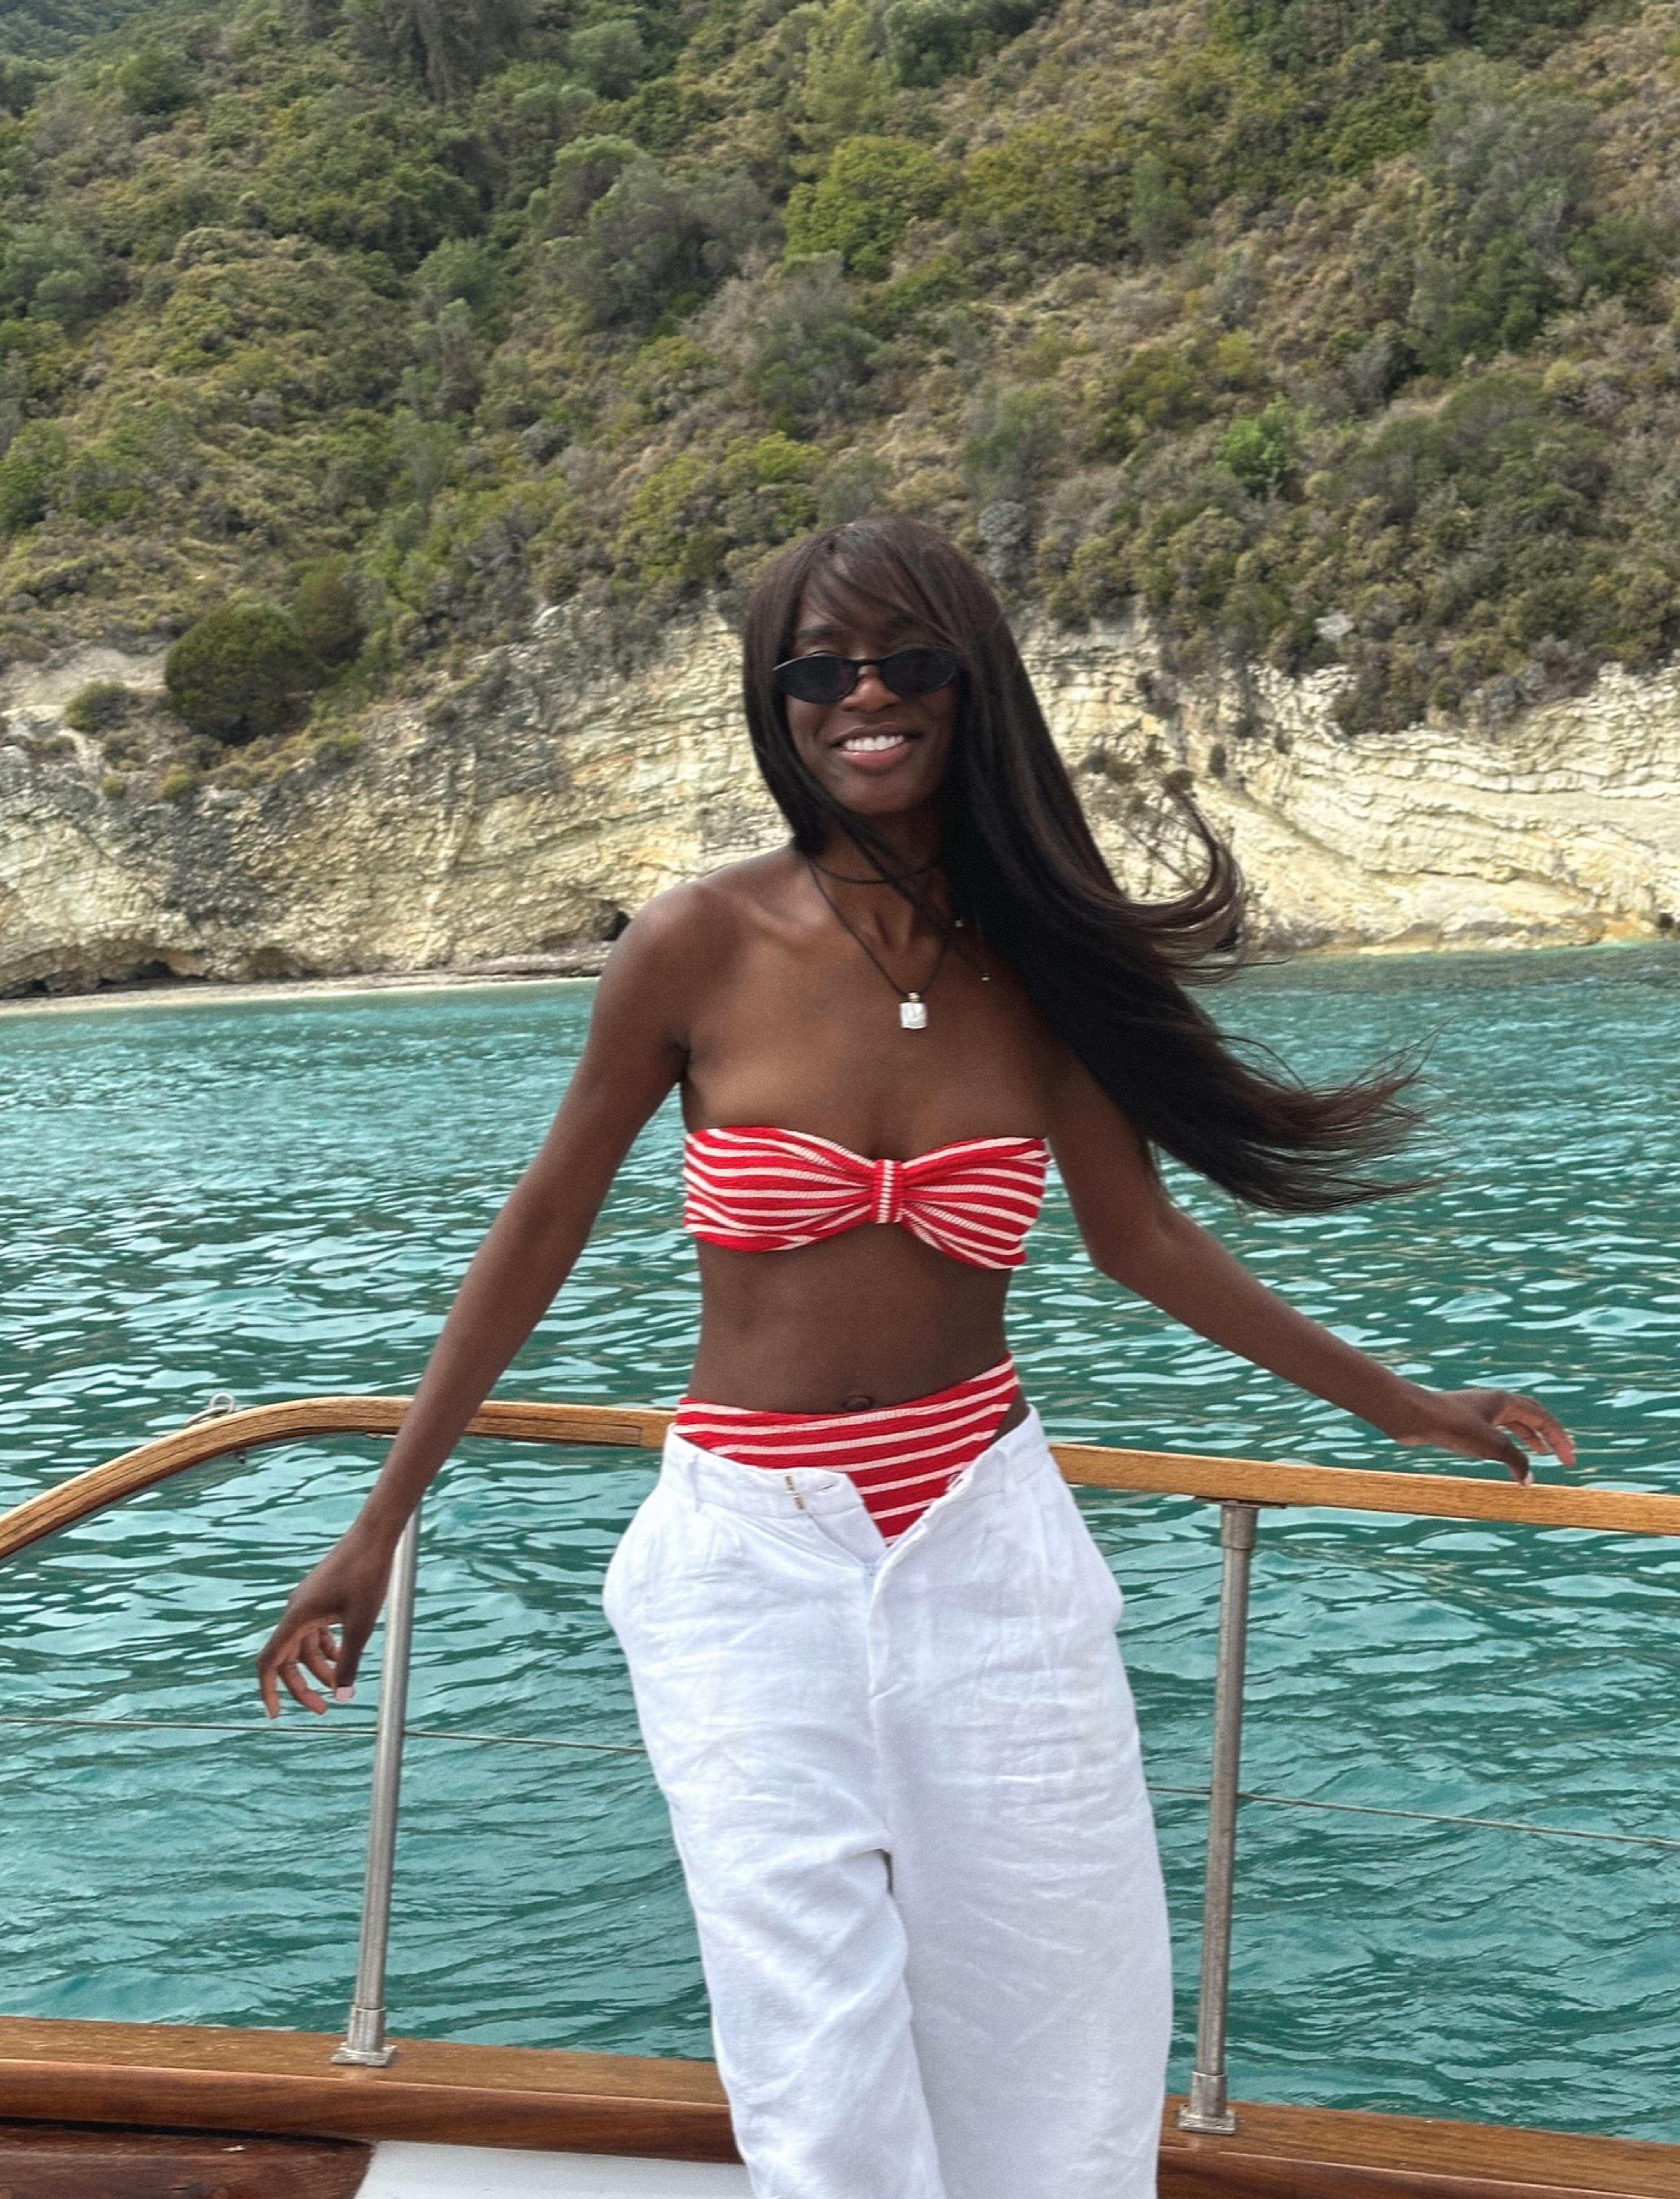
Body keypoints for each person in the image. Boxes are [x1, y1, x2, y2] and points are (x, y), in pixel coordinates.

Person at [256, 515, 1574, 2199]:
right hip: (747, 1557)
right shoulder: (696, 942)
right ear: (775, 699)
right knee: (813, 2047)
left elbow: (1144, 1241)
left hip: (984, 1539)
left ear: (972, 684)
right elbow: (541, 1226)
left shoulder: (1044, 962)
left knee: (1063, 2016)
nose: (862, 696)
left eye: (906, 661)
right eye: (819, 669)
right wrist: (383, 1519)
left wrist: (1405, 1405)